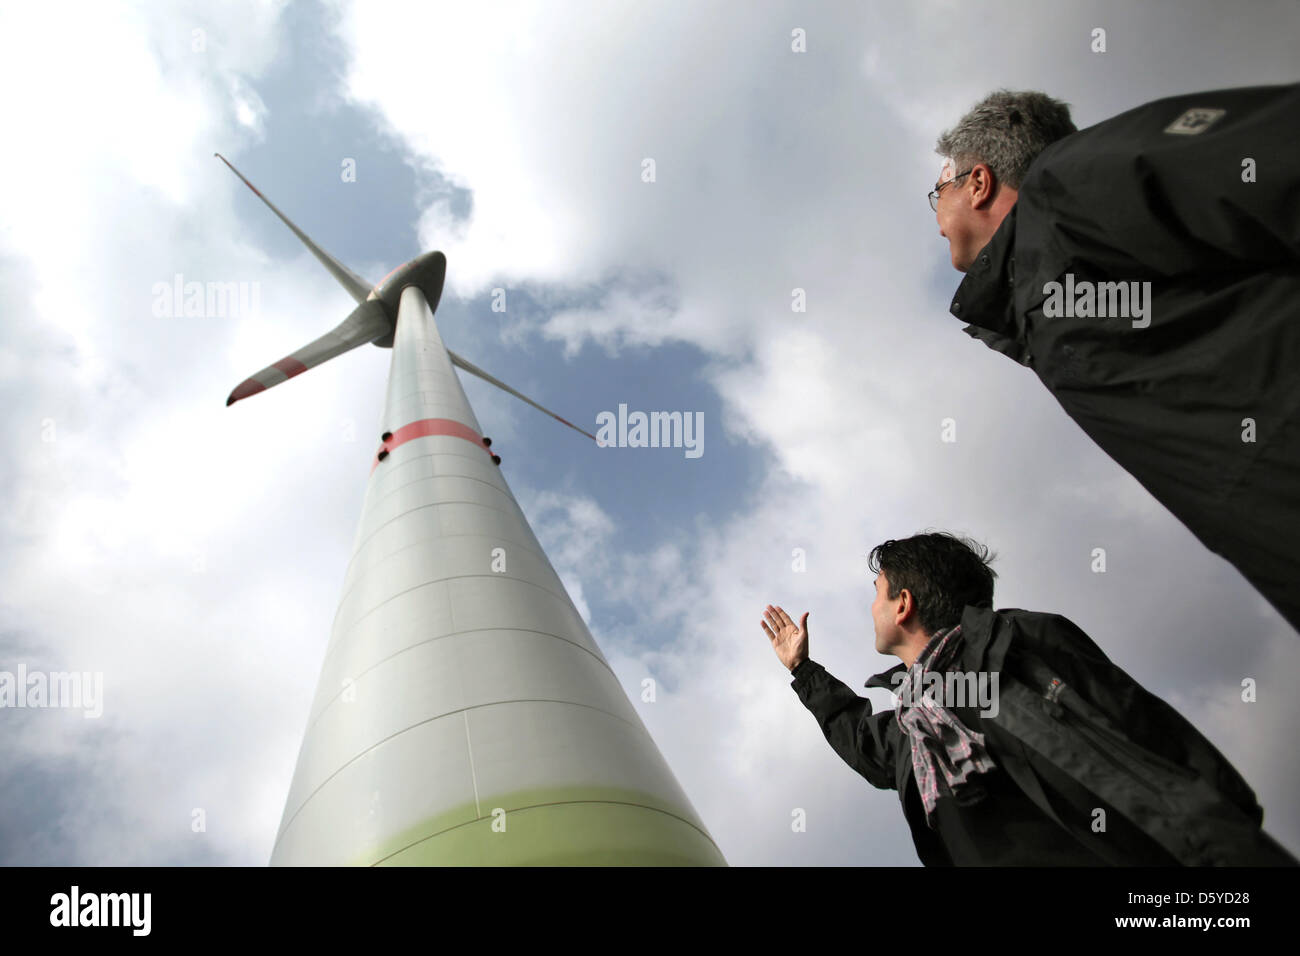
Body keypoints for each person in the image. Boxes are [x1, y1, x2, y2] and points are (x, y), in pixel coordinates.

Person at [931, 84, 1300, 634]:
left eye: (938, 190)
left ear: (977, 183)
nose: (935, 211)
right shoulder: (1033, 293)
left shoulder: (1067, 188)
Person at [762, 531, 1297, 866]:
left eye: (876, 596)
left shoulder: (1018, 643)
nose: (871, 609)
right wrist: (803, 670)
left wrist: (1225, 838)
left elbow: (1139, 722)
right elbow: (862, 742)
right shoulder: (912, 727)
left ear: (903, 604)